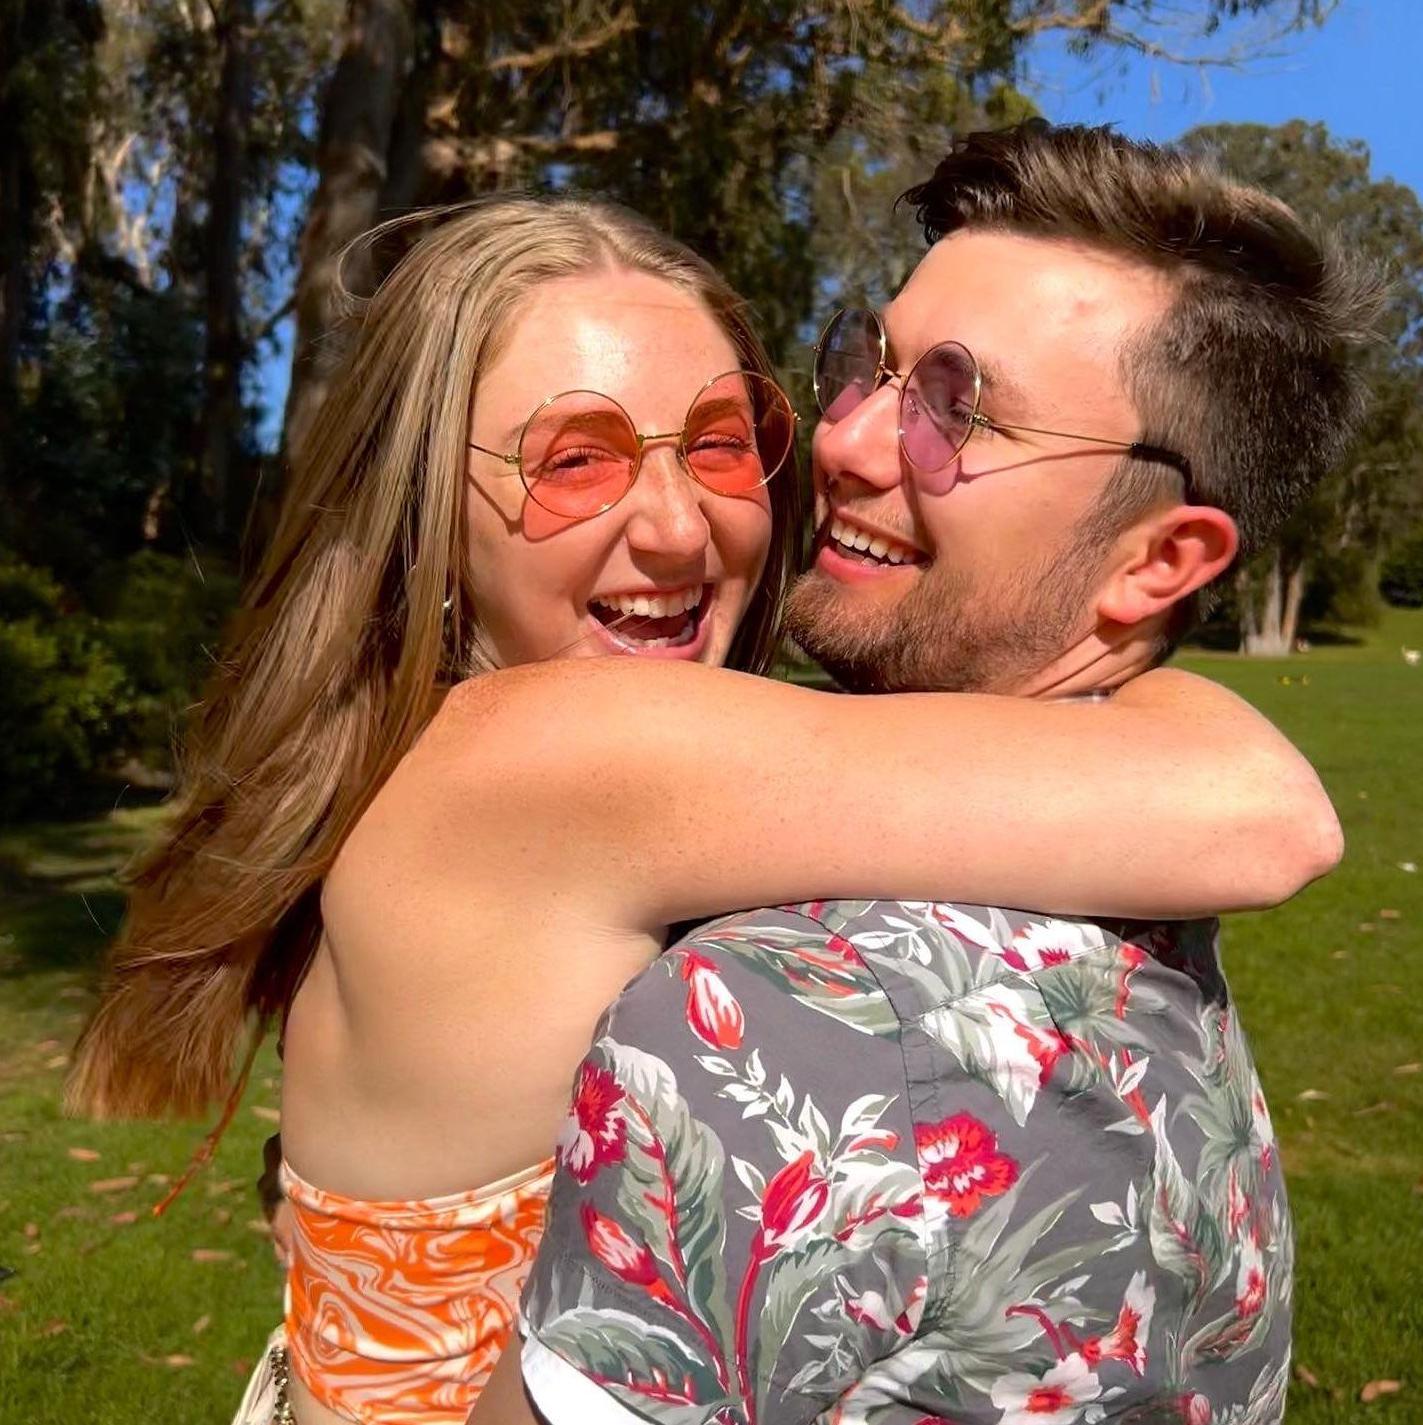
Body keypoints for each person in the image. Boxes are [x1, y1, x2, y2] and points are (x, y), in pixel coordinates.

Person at [68, 190, 1340, 1425]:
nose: (678, 529)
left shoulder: (486, 755)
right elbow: (1256, 811)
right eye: (572, 461)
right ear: (427, 515)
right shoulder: (547, 757)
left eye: (722, 443)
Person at [477, 125, 1381, 1425]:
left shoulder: (772, 1029)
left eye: (958, 407)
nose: (843, 441)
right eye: (868, 364)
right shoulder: (1148, 927)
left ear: (1154, 566)